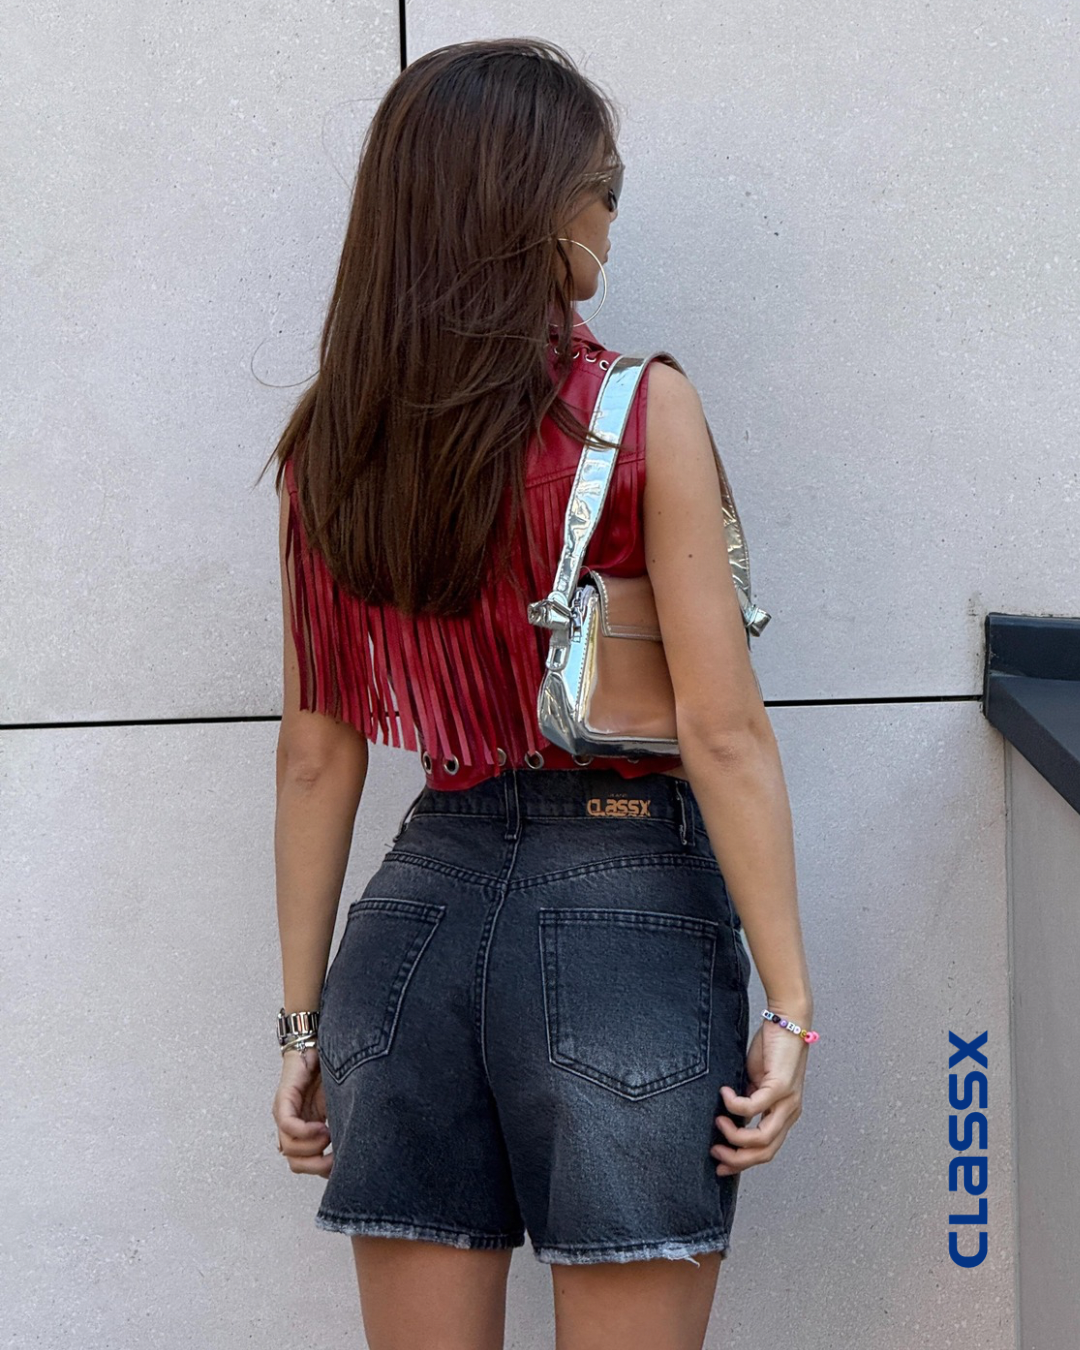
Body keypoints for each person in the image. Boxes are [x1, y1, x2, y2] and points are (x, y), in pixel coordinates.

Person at [264, 36, 814, 1350]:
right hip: (623, 919)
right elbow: (722, 730)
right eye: (602, 187)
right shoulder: (641, 410)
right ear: (535, 204)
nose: (612, 221)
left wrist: (299, 1019)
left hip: (407, 931)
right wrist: (793, 1004)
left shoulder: (333, 441)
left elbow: (316, 755)